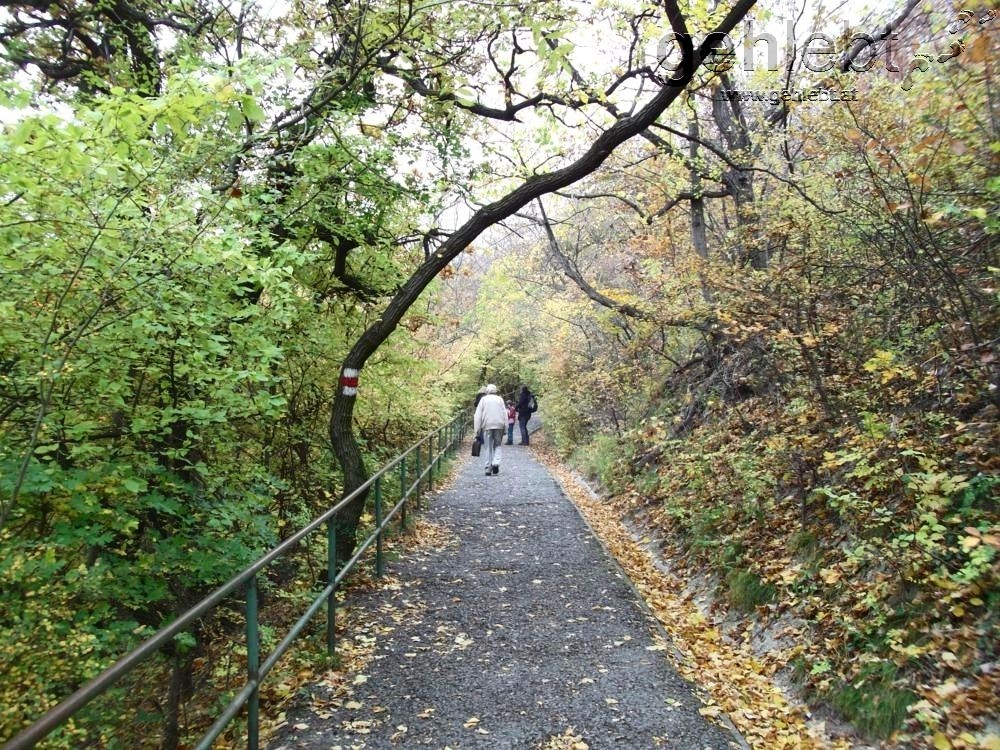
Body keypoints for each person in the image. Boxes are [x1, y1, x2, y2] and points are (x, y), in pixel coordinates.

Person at [473, 384, 506, 475]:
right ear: (495, 391)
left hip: (487, 425)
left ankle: (488, 467)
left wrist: (477, 430)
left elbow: (478, 416)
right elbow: (505, 414)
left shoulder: (483, 400)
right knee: (498, 445)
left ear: (487, 391)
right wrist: (505, 427)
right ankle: (496, 463)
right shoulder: (500, 399)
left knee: (488, 447)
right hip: (499, 425)